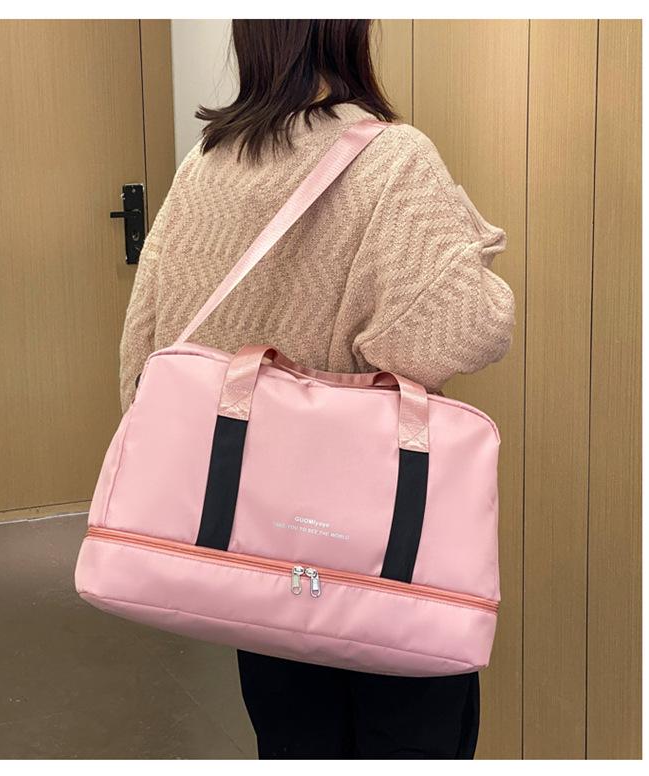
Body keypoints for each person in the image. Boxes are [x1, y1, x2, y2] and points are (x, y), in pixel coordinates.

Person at [119, 19, 515, 760]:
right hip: (374, 546)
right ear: (348, 28)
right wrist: (471, 239)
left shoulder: (207, 162)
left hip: (257, 536)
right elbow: (461, 331)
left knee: (292, 735)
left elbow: (148, 340)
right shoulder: (394, 158)